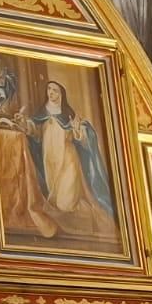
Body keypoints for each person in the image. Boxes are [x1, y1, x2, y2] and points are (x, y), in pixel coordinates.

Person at [13, 80, 115, 226]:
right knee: (54, 202)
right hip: (49, 161)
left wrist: (78, 130)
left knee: (65, 204)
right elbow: (34, 132)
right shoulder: (42, 114)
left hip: (68, 161)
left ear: (61, 93)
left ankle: (88, 218)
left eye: (55, 90)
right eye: (49, 89)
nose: (51, 92)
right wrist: (23, 122)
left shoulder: (68, 114)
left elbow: (81, 138)